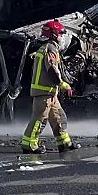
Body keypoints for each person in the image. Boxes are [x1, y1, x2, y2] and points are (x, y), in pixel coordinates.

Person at [20, 20, 81, 154]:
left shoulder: (45, 48)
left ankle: (64, 143)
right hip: (44, 93)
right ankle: (29, 145)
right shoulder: (50, 48)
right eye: (60, 34)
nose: (61, 37)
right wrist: (62, 84)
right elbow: (52, 69)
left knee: (59, 118)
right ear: (53, 34)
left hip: (50, 93)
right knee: (39, 120)